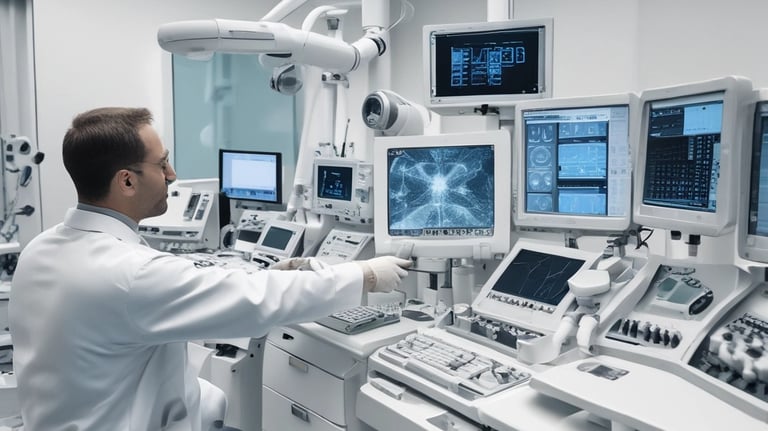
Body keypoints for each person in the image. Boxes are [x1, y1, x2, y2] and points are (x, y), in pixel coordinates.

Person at [8, 107, 412, 430]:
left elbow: (174, 285)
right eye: (162, 164)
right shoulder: (131, 274)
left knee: (212, 398)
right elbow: (255, 301)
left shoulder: (42, 249)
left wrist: (270, 275)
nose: (172, 175)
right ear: (127, 182)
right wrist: (364, 274)